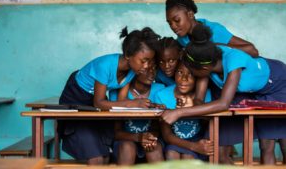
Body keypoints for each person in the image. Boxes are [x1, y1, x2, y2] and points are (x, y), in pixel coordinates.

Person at [161, 24, 286, 165]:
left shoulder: (233, 61)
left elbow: (223, 103)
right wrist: (187, 106)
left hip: (277, 83)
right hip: (252, 93)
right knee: (220, 152)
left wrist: (179, 113)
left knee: (269, 145)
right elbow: (199, 100)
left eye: (192, 72)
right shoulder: (207, 60)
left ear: (203, 68)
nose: (190, 76)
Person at [58, 26, 160, 165]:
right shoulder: (105, 65)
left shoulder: (131, 71)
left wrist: (149, 105)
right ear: (128, 55)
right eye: (143, 61)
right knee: (96, 158)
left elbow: (121, 103)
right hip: (76, 96)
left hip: (92, 103)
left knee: (105, 157)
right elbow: (99, 103)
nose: (147, 66)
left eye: (149, 61)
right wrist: (133, 103)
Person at [165, 0, 259, 57]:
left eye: (177, 20)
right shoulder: (182, 38)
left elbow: (253, 51)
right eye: (169, 23)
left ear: (190, 14)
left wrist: (215, 47)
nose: (173, 26)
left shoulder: (214, 30)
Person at [155, 62, 213, 161]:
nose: (184, 78)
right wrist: (194, 147)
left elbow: (206, 124)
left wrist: (192, 107)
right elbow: (167, 135)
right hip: (174, 141)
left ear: (197, 77)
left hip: (197, 139)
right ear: (174, 73)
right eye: (180, 72)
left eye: (190, 74)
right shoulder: (162, 95)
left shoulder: (205, 95)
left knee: (188, 157)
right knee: (171, 153)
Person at [109, 62, 165, 165]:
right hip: (125, 140)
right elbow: (116, 133)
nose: (152, 72)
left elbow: (159, 128)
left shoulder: (160, 89)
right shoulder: (116, 93)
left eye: (154, 68)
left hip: (150, 137)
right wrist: (139, 137)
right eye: (146, 69)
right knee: (127, 147)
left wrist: (148, 138)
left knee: (153, 147)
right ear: (134, 70)